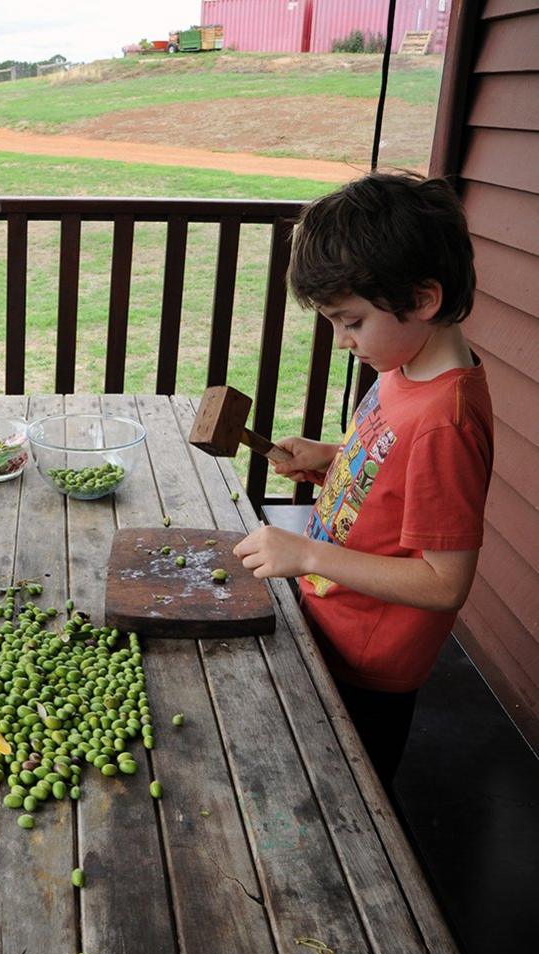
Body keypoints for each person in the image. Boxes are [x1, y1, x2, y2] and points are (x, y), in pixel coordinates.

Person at [232, 172, 494, 787]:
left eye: (350, 321)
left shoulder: (444, 423)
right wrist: (329, 457)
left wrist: (305, 551)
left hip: (368, 662)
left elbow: (443, 582)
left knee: (346, 794)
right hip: (330, 613)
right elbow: (391, 470)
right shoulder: (407, 365)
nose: (342, 341)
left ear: (423, 299)